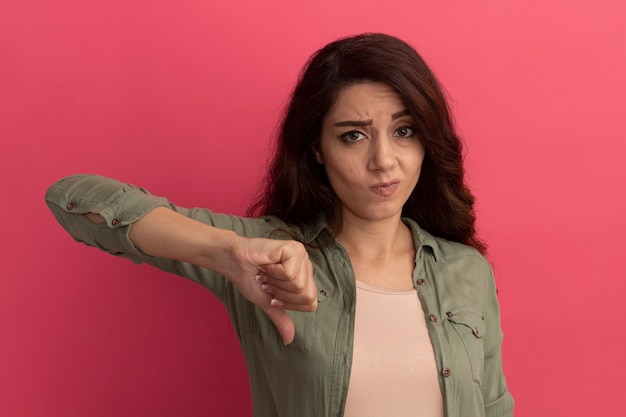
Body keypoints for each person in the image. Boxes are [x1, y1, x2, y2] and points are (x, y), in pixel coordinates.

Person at [45, 33, 514, 417]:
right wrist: (227, 254)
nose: (384, 161)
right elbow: (72, 200)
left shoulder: (467, 270)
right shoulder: (265, 255)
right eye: (354, 135)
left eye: (404, 131)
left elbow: (494, 407)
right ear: (316, 149)